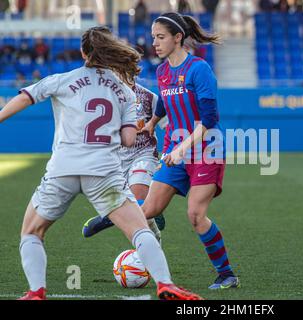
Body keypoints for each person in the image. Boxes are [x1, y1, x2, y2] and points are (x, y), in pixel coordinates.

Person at [0, 26, 201, 301]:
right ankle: (166, 284)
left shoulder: (62, 79)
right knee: (140, 230)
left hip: (63, 170)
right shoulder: (125, 91)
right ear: (110, 51)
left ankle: (36, 292)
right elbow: (130, 140)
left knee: (32, 232)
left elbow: (25, 97)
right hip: (104, 171)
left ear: (83, 52)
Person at [83, 13, 240, 290]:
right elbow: (165, 102)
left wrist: (181, 149)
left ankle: (226, 274)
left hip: (205, 149)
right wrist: (153, 123)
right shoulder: (163, 72)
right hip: (174, 151)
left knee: (195, 214)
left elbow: (209, 121)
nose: (154, 42)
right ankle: (111, 217)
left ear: (178, 37)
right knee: (149, 210)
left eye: (161, 37)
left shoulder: (199, 69)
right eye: (153, 36)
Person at [82, 82, 167, 241]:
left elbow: (168, 125)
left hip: (144, 154)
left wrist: (171, 152)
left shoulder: (148, 97)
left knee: (136, 200)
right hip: (115, 160)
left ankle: (107, 218)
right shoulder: (103, 96)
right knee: (142, 218)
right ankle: (153, 208)